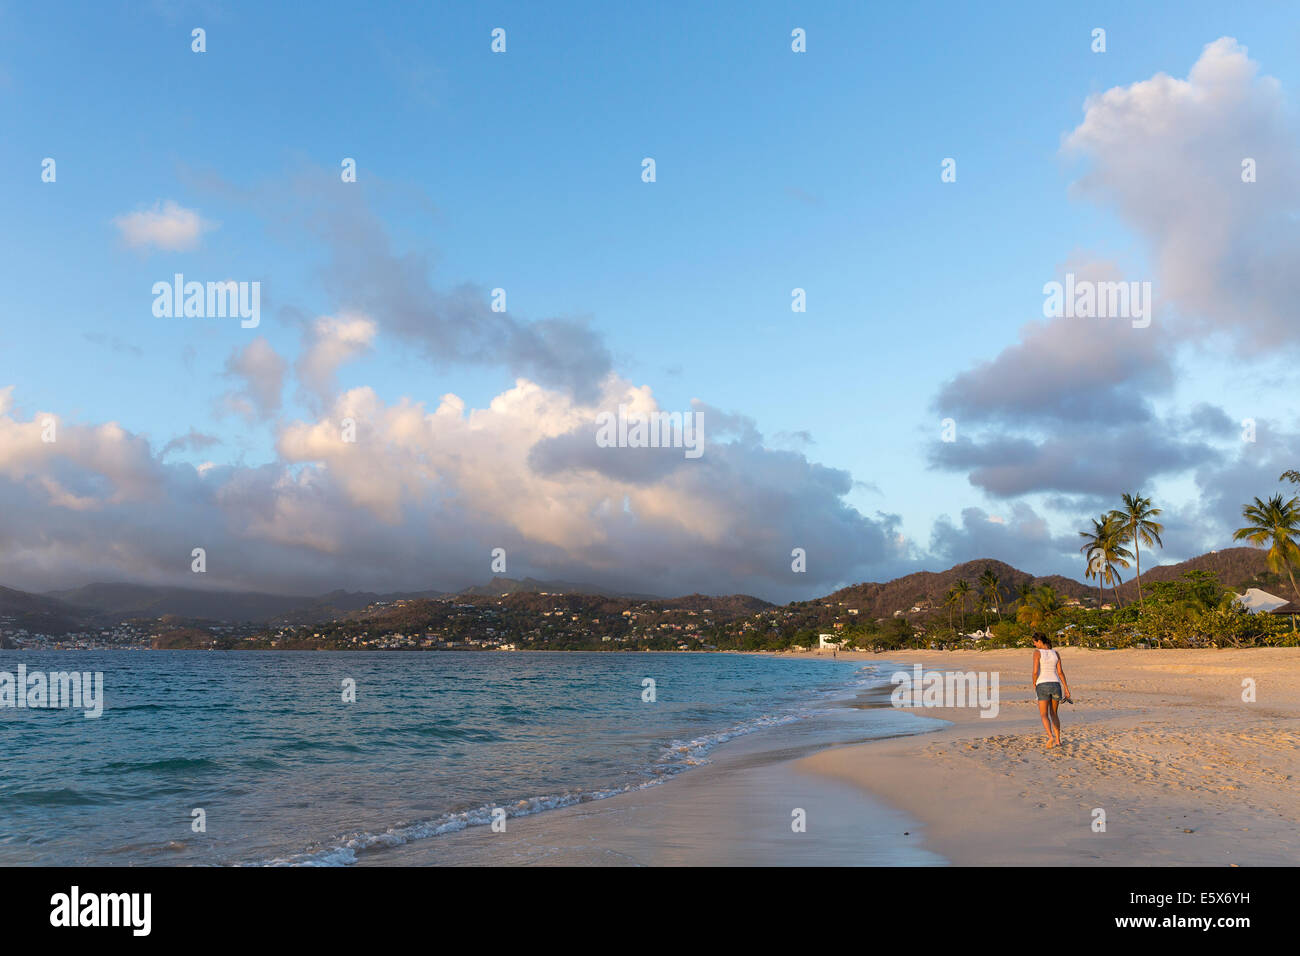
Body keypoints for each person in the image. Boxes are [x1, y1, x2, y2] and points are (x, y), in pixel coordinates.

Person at [1031, 632, 1070, 748]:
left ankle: (1050, 736)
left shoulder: (1037, 653)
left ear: (1039, 641)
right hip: (1056, 685)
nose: (1034, 645)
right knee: (1054, 714)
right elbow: (1060, 672)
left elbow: (1035, 672)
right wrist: (1066, 689)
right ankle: (1058, 741)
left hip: (1042, 684)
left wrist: (1034, 684)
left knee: (1044, 714)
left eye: (1034, 642)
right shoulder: (1055, 653)